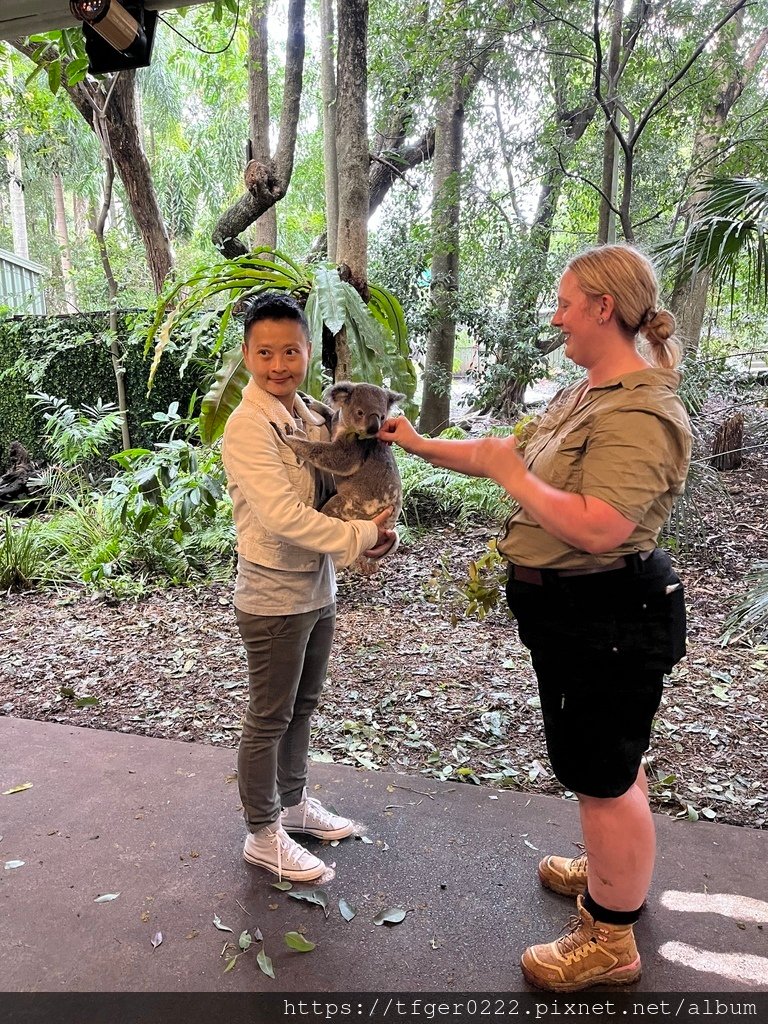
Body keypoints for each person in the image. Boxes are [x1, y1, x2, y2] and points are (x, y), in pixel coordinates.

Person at [378, 244, 691, 992]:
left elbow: (601, 525)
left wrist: (512, 475)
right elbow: (499, 452)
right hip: (577, 615)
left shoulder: (641, 410)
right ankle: (615, 867)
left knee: (603, 774)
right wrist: (420, 445)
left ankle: (611, 938)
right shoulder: (587, 393)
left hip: (607, 613)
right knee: (611, 761)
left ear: (603, 308)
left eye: (564, 303)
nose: (556, 316)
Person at [221, 292, 394, 883]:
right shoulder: (248, 428)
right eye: (264, 352)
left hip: (317, 586)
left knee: (303, 707)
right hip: (273, 594)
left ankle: (293, 804)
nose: (278, 364)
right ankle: (262, 832)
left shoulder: (315, 413)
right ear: (246, 354)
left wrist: (374, 525)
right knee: (269, 716)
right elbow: (282, 517)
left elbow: (349, 464)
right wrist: (361, 536)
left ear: (308, 353)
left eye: (290, 351)